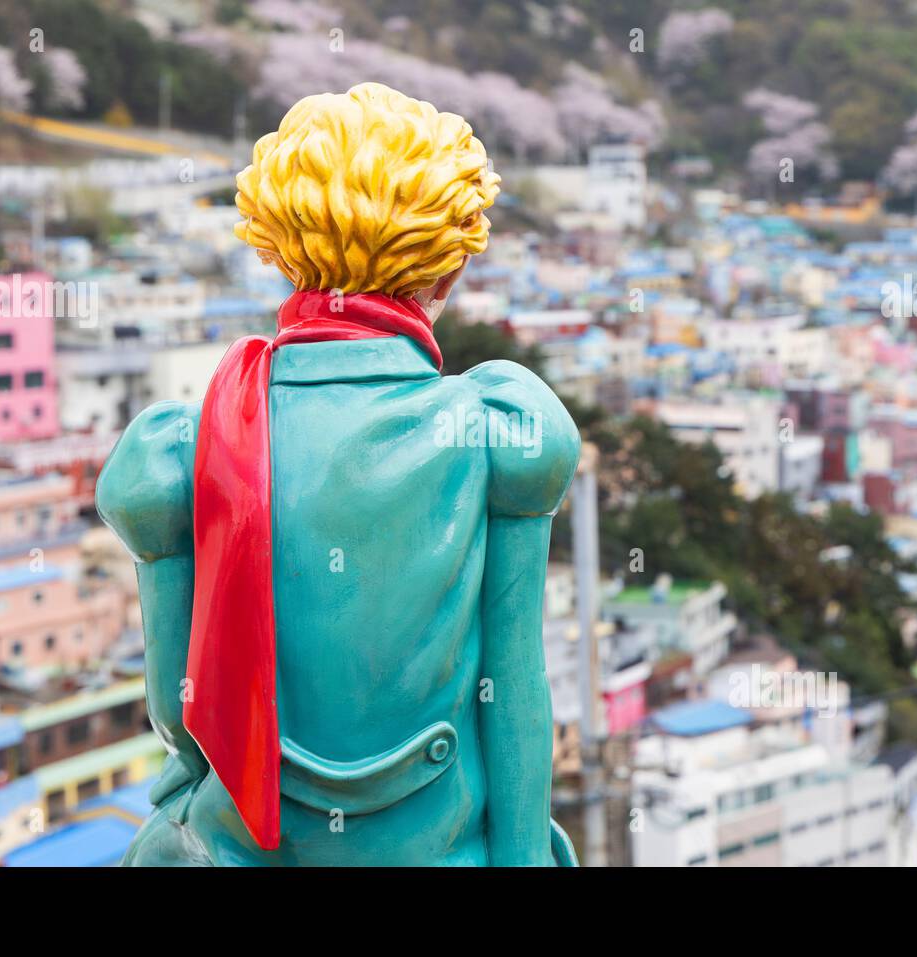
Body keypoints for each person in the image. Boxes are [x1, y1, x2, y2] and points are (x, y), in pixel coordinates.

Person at [97, 82, 580, 865]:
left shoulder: (185, 449)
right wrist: (523, 858)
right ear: (448, 272)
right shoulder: (496, 430)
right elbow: (515, 695)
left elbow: (177, 714)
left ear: (279, 250)